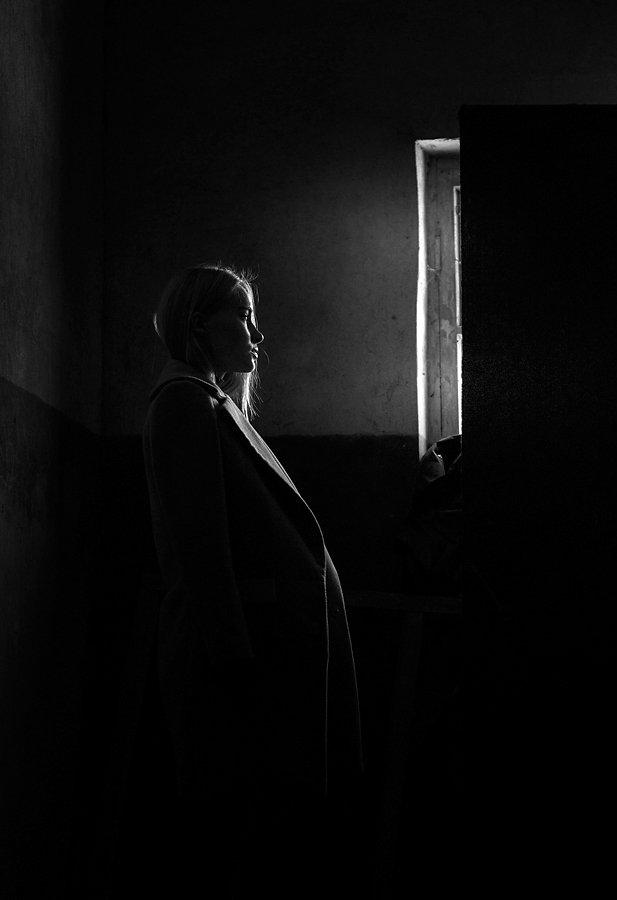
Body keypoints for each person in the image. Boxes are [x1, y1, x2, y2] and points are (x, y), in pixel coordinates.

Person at [142, 264, 363, 897]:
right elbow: (203, 553)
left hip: (260, 652)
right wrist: (235, 660)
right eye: (242, 317)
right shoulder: (184, 404)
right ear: (198, 326)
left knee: (258, 833)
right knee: (239, 838)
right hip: (240, 664)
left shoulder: (205, 403)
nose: (257, 335)